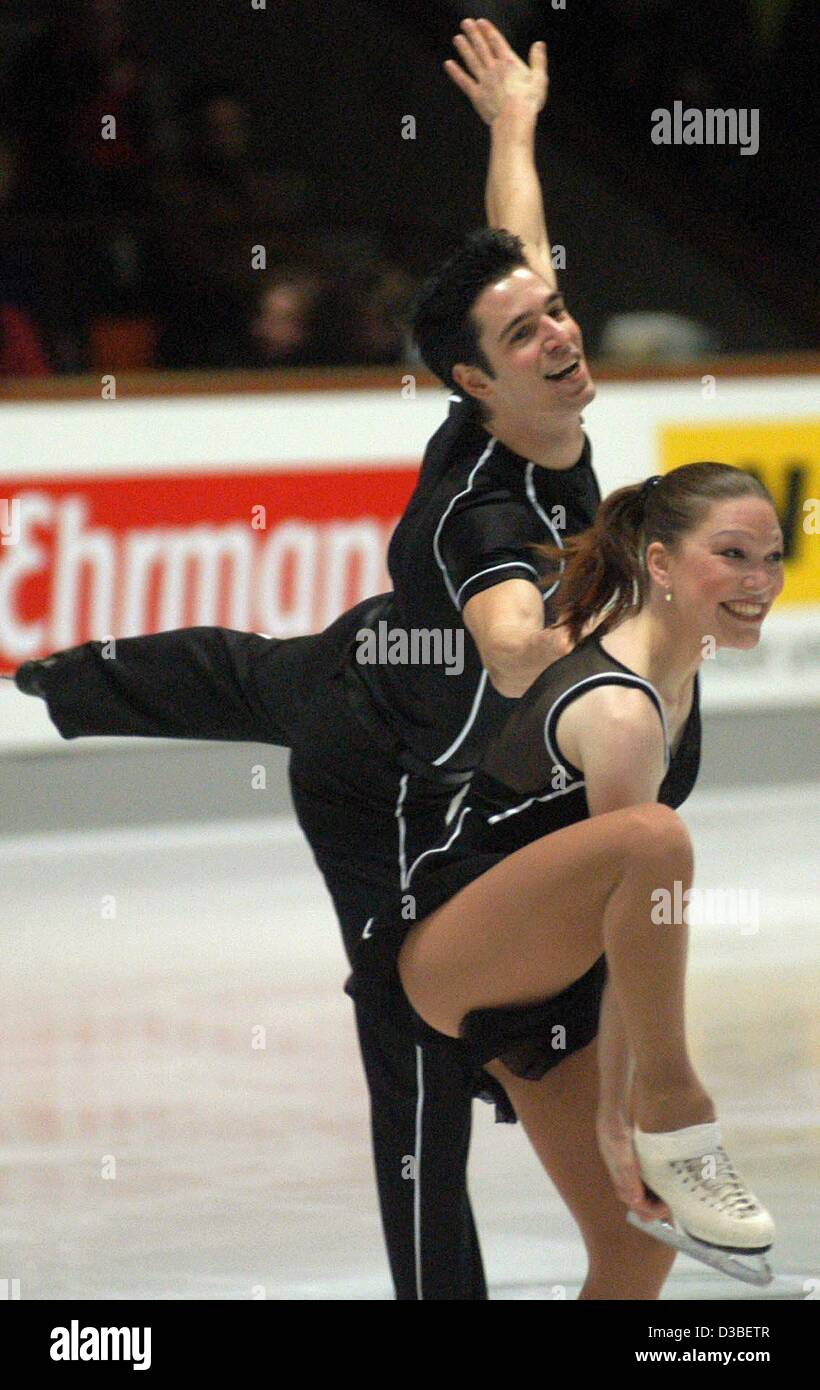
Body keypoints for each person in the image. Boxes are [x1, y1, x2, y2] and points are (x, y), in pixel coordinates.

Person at [10, 26, 604, 1299]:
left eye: (557, 312)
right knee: (411, 1047)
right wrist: (620, 643)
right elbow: (511, 654)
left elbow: (515, 252)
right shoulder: (487, 512)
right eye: (530, 333)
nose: (558, 331)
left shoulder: (525, 405)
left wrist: (511, 130)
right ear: (472, 382)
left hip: (372, 671)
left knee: (227, 670)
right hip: (377, 763)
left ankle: (46, 678)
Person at [351, 462, 781, 1297]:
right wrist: (623, 1116)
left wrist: (608, 1117)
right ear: (659, 564)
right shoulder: (620, 710)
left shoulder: (678, 669)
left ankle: (658, 1122)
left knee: (637, 1247)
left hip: (548, 985)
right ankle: (677, 1113)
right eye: (731, 555)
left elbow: (628, 938)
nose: (759, 581)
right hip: (457, 951)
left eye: (771, 557)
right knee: (653, 840)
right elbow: (636, 909)